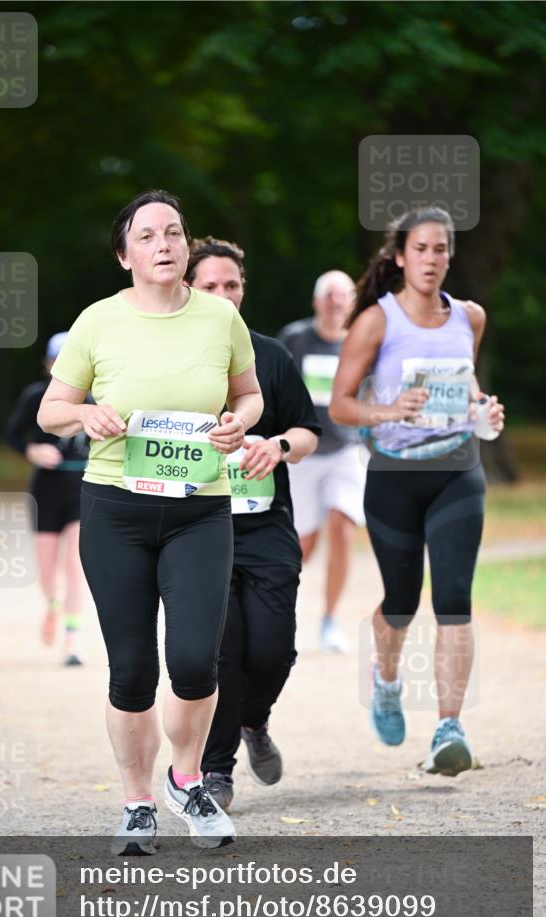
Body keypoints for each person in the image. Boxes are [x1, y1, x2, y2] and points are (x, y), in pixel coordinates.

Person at [37, 191, 263, 852]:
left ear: (187, 246)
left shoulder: (219, 317)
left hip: (199, 511)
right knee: (131, 670)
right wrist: (85, 415)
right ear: (124, 253)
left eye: (174, 232)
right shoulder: (97, 322)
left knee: (195, 660)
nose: (163, 244)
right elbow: (51, 409)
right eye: (147, 235)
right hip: (116, 509)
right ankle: (135, 803)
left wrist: (237, 423)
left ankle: (186, 779)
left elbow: (248, 395)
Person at [330, 206, 505, 776]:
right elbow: (340, 404)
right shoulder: (376, 323)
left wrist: (484, 410)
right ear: (400, 256)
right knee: (401, 604)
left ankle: (449, 728)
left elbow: (466, 385)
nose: (432, 260)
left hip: (458, 469)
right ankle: (386, 680)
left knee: (454, 600)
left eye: (441, 250)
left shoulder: (469, 317)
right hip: (394, 478)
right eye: (421, 250)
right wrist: (387, 410)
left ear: (450, 257)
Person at [186, 237, 321, 809]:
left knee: (272, 650)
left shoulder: (271, 356)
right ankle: (216, 771)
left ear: (244, 289)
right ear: (188, 287)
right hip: (196, 526)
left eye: (232, 285)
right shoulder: (168, 358)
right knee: (221, 651)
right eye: (211, 286)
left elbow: (311, 431)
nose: (224, 295)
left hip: (265, 527)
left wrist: (281, 445)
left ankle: (255, 720)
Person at [278, 271, 367, 653]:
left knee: (342, 524)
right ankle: (283, 610)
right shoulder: (295, 338)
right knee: (304, 544)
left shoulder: (360, 343)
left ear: (352, 302)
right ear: (316, 301)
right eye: (329, 295)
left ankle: (330, 619)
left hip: (346, 451)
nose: (336, 302)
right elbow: (274, 385)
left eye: (343, 295)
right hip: (304, 453)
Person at [5, 332, 88, 667]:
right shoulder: (36, 396)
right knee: (47, 569)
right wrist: (32, 450)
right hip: (46, 489)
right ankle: (53, 605)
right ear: (48, 364)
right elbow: (11, 434)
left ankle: (71, 641)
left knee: (74, 566)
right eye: (57, 362)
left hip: (81, 488)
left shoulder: (94, 399)